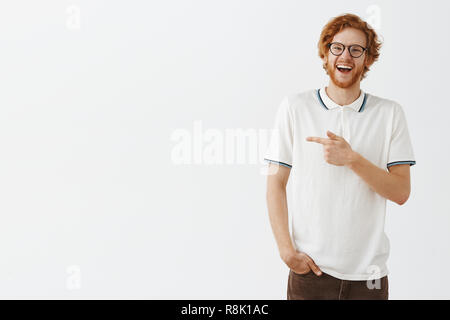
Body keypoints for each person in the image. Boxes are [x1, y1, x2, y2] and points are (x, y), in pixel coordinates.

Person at [264, 13, 416, 300]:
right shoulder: (295, 107)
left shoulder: (390, 113)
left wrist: (352, 159)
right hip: (310, 272)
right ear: (325, 53)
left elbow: (401, 192)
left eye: (356, 50)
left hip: (369, 278)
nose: (345, 56)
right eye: (338, 47)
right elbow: (275, 183)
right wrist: (286, 251)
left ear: (367, 59)